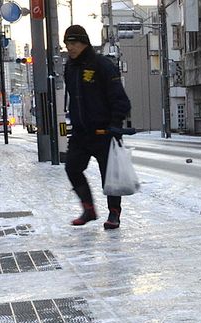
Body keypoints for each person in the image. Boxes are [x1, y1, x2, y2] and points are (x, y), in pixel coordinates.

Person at [63, 25, 131, 229]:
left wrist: (114, 124)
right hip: (81, 132)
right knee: (72, 168)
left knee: (109, 176)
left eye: (73, 43)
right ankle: (88, 209)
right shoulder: (70, 67)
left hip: (104, 132)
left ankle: (114, 214)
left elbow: (120, 100)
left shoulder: (103, 65)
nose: (70, 48)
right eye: (67, 44)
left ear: (84, 43)